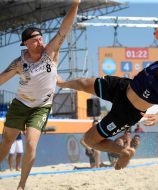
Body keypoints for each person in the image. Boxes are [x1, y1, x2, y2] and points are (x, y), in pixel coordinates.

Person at [57, 30, 158, 170]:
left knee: (89, 139)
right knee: (83, 83)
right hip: (122, 87)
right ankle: (61, 83)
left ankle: (124, 151)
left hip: (126, 112)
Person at [0, 1, 80, 189]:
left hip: (41, 107)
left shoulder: (49, 53)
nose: (40, 42)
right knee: (6, 143)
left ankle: (21, 185)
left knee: (31, 144)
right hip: (20, 104)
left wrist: (75, 4)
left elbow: (64, 29)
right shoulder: (19, 63)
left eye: (41, 38)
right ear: (26, 43)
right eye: (35, 40)